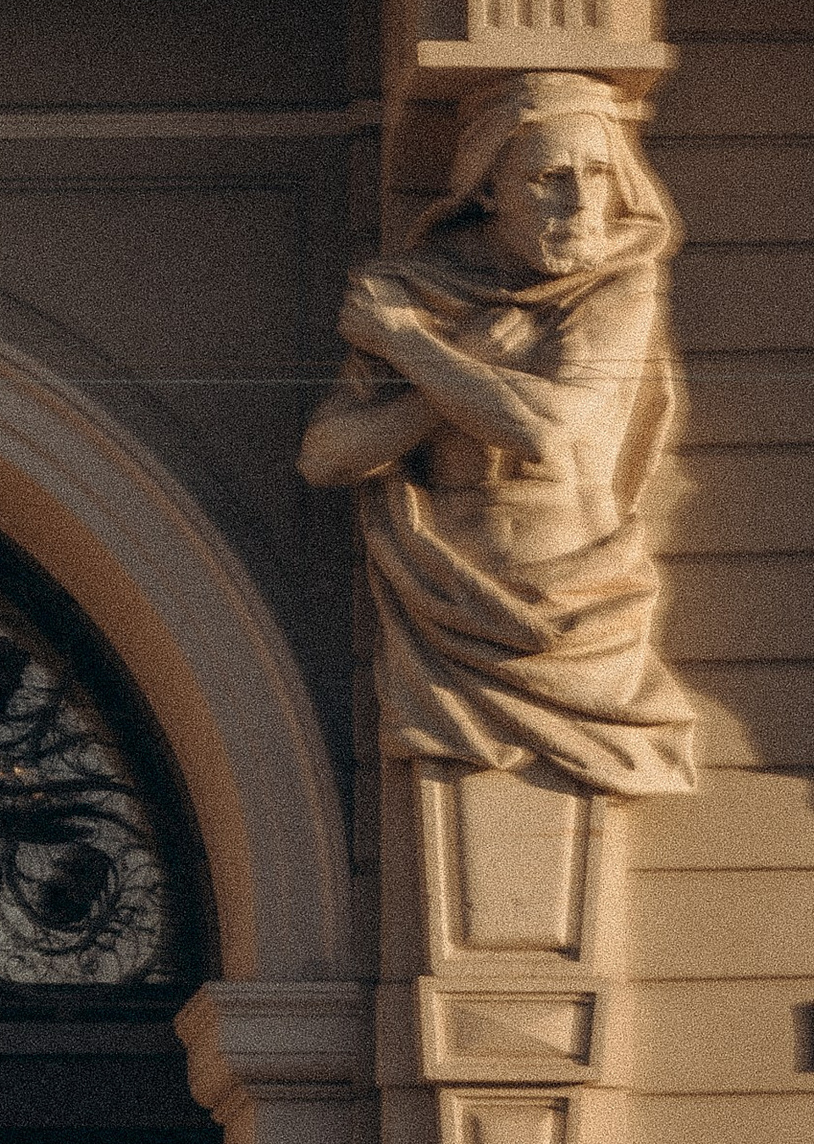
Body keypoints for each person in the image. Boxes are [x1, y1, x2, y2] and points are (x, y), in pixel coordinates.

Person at [296, 70, 692, 800]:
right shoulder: (417, 289)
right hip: (442, 610)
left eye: (599, 173)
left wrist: (414, 346)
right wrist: (457, 372)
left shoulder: (619, 286)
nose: (580, 202)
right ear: (487, 188)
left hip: (580, 614)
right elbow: (325, 455)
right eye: (551, 177)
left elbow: (542, 427)